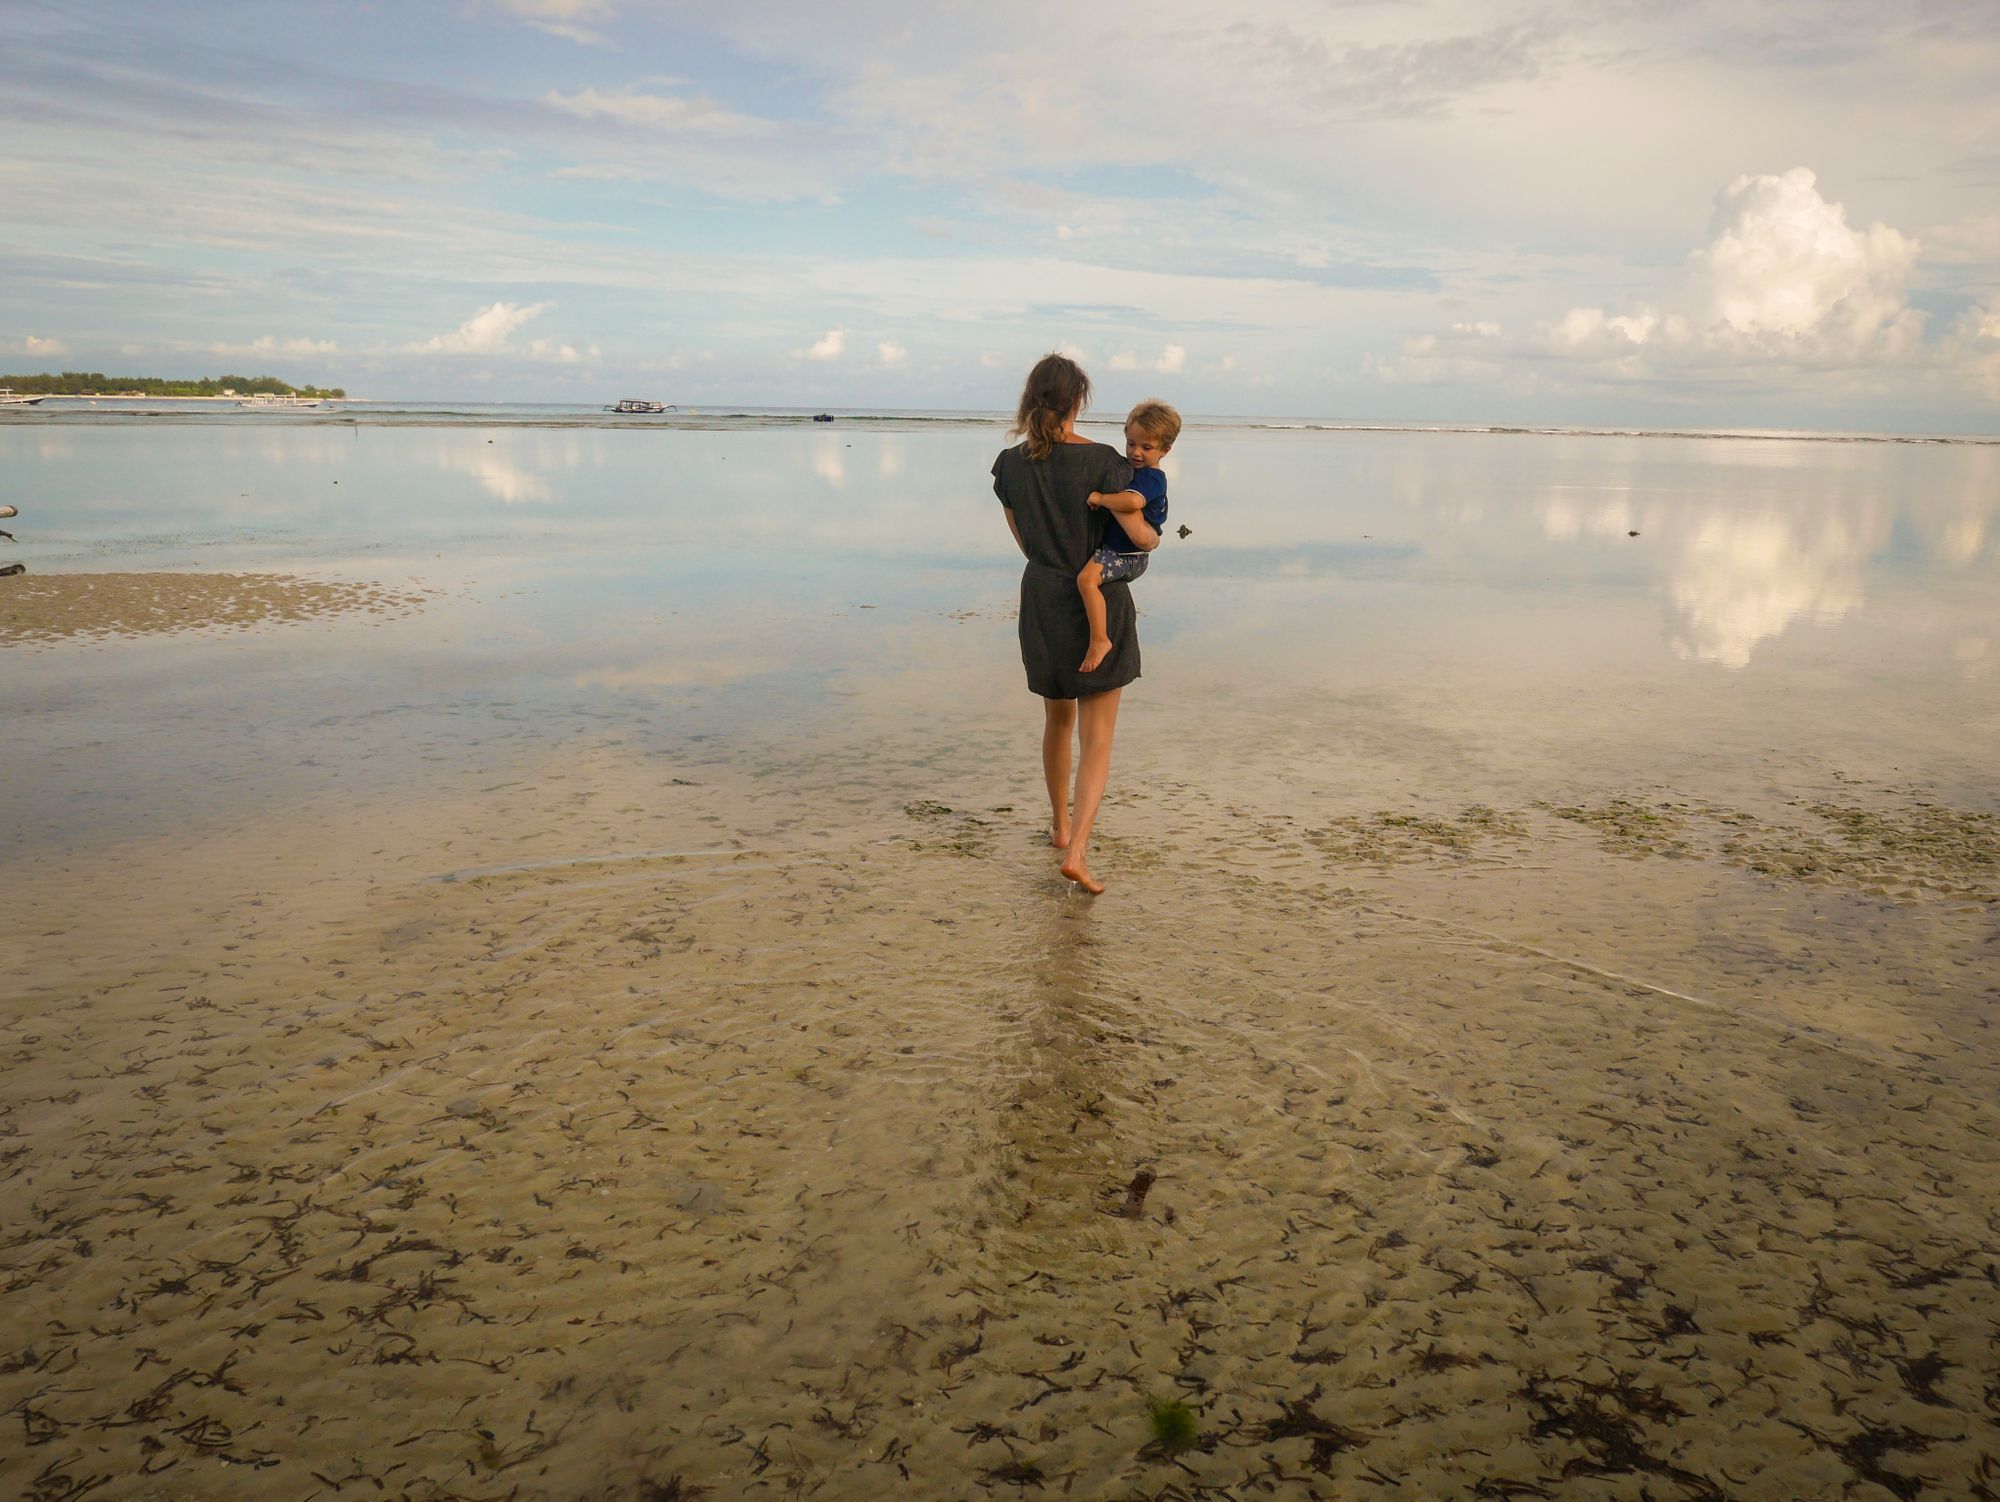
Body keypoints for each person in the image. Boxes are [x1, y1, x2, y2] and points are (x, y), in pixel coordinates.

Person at [991, 354, 1138, 894]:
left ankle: (1059, 826)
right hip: (1097, 598)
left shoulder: (1009, 464)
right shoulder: (1105, 461)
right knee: (1097, 739)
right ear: (1079, 400)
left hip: (1043, 597)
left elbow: (1025, 543)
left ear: (1031, 399)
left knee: (1057, 721)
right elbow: (1136, 537)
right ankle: (1077, 852)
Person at [1078, 400, 1179, 672]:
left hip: (1128, 554)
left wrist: (1101, 498)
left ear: (1165, 450)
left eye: (1147, 447)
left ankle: (1100, 640)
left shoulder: (1152, 478)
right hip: (1123, 550)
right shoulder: (1133, 472)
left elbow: (1133, 503)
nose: (1136, 452)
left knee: (1086, 580)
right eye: (1131, 443)